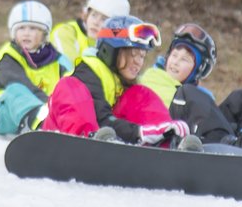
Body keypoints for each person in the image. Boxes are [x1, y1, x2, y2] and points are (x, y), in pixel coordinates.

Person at [38, 15, 195, 148]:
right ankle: (87, 144)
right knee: (68, 86)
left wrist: (162, 130)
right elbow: (103, 119)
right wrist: (139, 132)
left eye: (141, 56)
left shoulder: (123, 84)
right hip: (62, 140)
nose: (138, 62)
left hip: (107, 138)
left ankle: (168, 143)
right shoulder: (88, 73)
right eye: (133, 54)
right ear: (111, 51)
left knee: (139, 94)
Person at [141, 23, 242, 152]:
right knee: (186, 92)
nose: (175, 62)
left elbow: (209, 122)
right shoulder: (151, 77)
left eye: (184, 60)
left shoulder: (200, 96)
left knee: (240, 99)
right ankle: (227, 146)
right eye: (174, 56)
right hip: (171, 131)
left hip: (201, 132)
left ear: (197, 70)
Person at [0, 0, 67, 134]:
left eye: (32, 28)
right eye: (21, 28)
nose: (26, 33)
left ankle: (81, 129)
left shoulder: (58, 61)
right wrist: (52, 111)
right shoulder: (8, 57)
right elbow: (25, 87)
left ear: (44, 34)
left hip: (45, 113)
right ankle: (37, 124)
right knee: (16, 89)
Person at [49, 0, 129, 65]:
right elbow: (70, 70)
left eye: (104, 19)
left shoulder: (116, 49)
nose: (96, 22)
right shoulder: (65, 32)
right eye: (94, 15)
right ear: (86, 15)